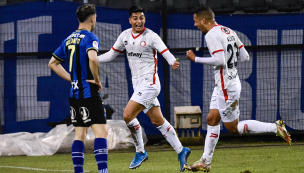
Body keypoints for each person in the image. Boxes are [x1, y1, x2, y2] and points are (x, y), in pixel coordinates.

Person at [184, 5, 291, 172]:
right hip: (226, 84)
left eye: (196, 21)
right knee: (212, 120)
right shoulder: (228, 31)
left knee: (233, 128)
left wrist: (195, 59)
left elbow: (219, 59)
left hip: (226, 87)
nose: (195, 24)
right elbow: (245, 56)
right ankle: (205, 160)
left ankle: (274, 127)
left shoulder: (211, 34)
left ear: (203, 20)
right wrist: (230, 66)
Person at [97, 5, 191, 172]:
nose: (139, 21)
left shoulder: (151, 36)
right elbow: (111, 54)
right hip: (138, 86)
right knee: (157, 121)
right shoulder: (125, 36)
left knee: (127, 115)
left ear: (144, 19)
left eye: (141, 18)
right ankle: (181, 150)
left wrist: (172, 61)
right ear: (130, 20)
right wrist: (94, 59)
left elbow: (165, 51)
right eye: (135, 18)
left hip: (150, 84)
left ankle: (140, 151)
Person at [48, 4, 108, 173]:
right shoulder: (90, 37)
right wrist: (97, 80)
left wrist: (71, 78)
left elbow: (52, 63)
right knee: (101, 133)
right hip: (89, 92)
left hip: (74, 94)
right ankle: (103, 171)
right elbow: (93, 59)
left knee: (79, 136)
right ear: (93, 18)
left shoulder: (67, 39)